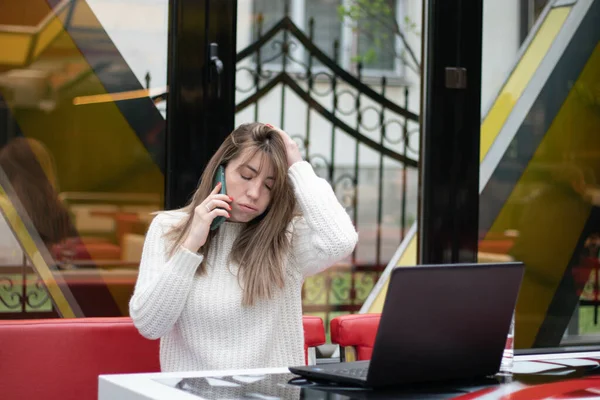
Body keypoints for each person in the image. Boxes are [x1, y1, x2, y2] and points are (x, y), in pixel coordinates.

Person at [129, 122, 358, 372]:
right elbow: (149, 325)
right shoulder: (168, 228)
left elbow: (341, 240)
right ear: (220, 171)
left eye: (269, 186)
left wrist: (297, 164)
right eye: (246, 176)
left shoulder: (286, 238)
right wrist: (190, 245)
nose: (254, 192)